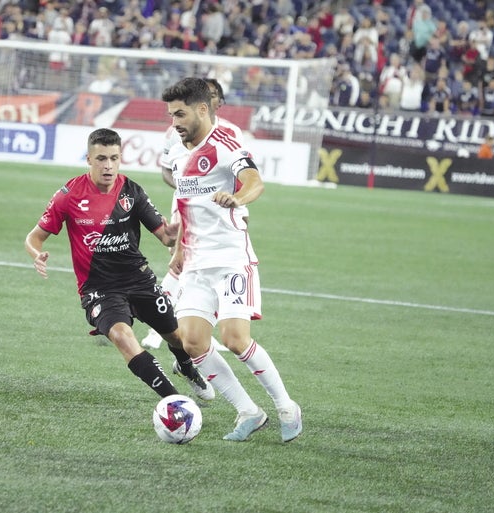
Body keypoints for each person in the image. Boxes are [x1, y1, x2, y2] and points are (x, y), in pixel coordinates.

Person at [24, 128, 214, 404]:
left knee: (176, 337)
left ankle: (185, 366)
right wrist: (36, 253)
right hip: (99, 288)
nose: (108, 166)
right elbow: (34, 237)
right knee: (123, 337)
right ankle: (175, 401)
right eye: (101, 158)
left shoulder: (132, 191)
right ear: (89, 158)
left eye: (114, 158)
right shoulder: (69, 195)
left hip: (139, 280)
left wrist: (181, 225)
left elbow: (165, 236)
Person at [161, 77, 302, 443]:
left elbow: (254, 180)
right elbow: (185, 205)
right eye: (171, 115)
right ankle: (248, 411)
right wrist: (178, 252)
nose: (174, 122)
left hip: (230, 260)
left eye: (180, 114)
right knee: (192, 343)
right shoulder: (178, 154)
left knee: (235, 339)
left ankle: (286, 405)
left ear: (203, 109)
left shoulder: (225, 144)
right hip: (194, 262)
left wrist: (239, 198)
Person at [141, 78, 241, 352]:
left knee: (213, 267)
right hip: (188, 207)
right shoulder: (176, 130)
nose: (209, 99)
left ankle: (201, 330)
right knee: (181, 263)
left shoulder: (233, 133)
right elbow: (166, 171)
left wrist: (238, 206)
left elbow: (239, 177)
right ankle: (156, 328)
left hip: (221, 213)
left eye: (214, 95)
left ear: (217, 102)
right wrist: (194, 188)